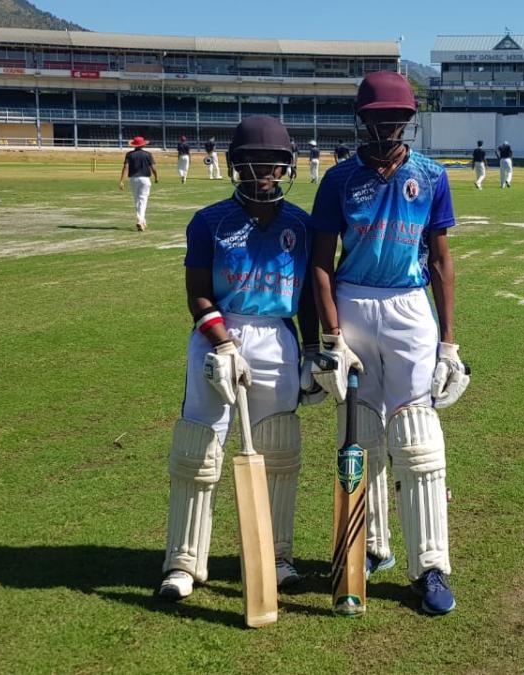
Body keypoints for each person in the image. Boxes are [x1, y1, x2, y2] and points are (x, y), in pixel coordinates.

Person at [308, 71, 470, 616]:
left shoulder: (431, 175)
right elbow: (320, 263)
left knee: (419, 438)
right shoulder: (337, 181)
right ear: (362, 119)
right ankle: (369, 547)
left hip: (408, 306)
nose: (386, 127)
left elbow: (442, 259)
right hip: (353, 303)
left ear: (409, 120)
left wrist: (449, 343)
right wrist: (330, 336)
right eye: (377, 118)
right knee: (361, 433)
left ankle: (431, 566)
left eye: (396, 119)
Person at [157, 115, 325, 602]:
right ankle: (185, 561)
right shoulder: (209, 221)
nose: (264, 172)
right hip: (217, 340)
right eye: (253, 162)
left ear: (286, 166)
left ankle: (276, 555)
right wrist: (224, 344)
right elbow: (197, 296)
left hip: (278, 340)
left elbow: (311, 297)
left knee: (278, 455)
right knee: (198, 452)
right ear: (237, 165)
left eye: (274, 163)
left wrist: (314, 351)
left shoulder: (301, 223)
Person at [118, 135, 158, 232]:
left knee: (137, 200)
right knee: (143, 200)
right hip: (145, 179)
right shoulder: (148, 154)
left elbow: (125, 167)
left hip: (133, 179)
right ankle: (140, 220)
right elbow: (153, 168)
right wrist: (156, 177)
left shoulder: (129, 154)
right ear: (143, 144)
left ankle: (142, 220)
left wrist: (121, 180)